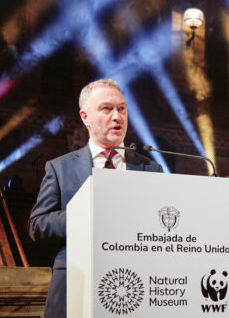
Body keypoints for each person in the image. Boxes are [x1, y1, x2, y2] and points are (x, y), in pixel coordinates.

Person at [28, 78, 162, 318]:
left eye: (122, 108)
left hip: (134, 288)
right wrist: (84, 214)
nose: (117, 116)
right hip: (75, 285)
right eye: (106, 109)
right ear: (85, 117)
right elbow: (37, 226)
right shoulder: (60, 168)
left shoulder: (150, 169)